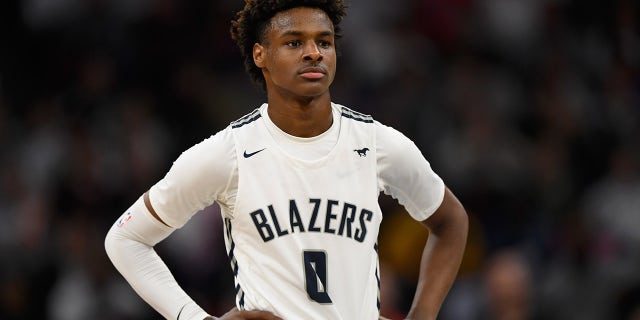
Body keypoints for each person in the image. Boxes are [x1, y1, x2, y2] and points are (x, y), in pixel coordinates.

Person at [104, 0, 468, 319]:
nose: (314, 53)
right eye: (294, 42)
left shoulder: (377, 144)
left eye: (324, 42)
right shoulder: (227, 153)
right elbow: (125, 239)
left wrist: (423, 314)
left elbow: (451, 221)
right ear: (260, 54)